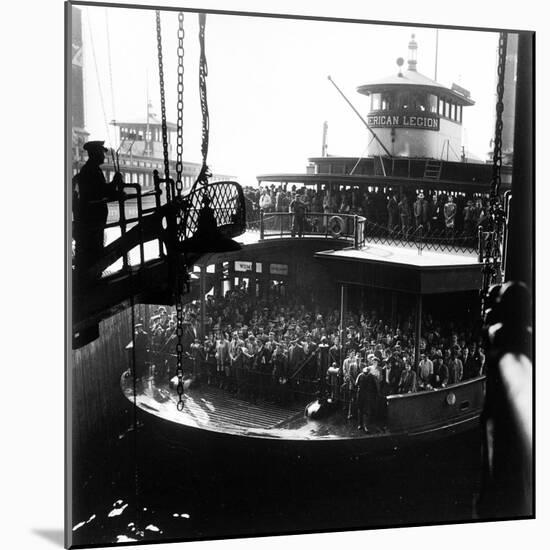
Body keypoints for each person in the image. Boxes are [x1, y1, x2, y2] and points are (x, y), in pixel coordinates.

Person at [73, 140, 123, 279]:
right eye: (101, 152)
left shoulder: (90, 169)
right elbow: (101, 192)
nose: (103, 156)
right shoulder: (92, 171)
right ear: (94, 154)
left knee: (92, 249)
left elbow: (100, 191)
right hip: (93, 219)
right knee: (94, 249)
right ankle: (92, 278)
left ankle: (91, 275)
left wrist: (113, 186)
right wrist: (115, 183)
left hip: (91, 219)